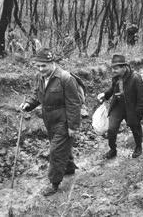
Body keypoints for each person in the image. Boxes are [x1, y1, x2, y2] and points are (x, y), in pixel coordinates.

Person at [20, 48, 82, 196]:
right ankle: (69, 168)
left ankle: (54, 184)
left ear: (52, 63)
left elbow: (74, 104)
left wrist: (73, 126)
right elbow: (37, 95)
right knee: (61, 148)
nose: (41, 69)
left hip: (64, 121)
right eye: (38, 66)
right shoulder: (39, 77)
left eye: (44, 66)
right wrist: (28, 104)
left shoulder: (66, 79)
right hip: (49, 121)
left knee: (56, 152)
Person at [97, 54, 143, 159]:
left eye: (116, 68)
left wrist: (139, 114)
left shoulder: (135, 78)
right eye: (112, 68)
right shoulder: (116, 78)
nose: (113, 71)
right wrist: (105, 96)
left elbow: (142, 98)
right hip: (118, 106)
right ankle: (113, 150)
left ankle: (138, 147)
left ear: (124, 67)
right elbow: (113, 89)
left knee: (135, 127)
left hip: (131, 107)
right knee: (111, 129)